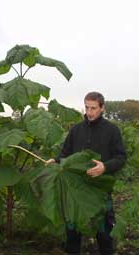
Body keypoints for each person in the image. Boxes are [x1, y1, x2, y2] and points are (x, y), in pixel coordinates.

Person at [46, 91, 126, 255]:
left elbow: (121, 157)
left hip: (99, 189)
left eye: (93, 108)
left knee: (104, 234)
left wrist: (105, 166)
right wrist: (55, 160)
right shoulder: (76, 130)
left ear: (102, 108)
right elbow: (65, 154)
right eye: (87, 108)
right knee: (72, 234)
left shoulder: (112, 130)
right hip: (75, 189)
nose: (89, 112)